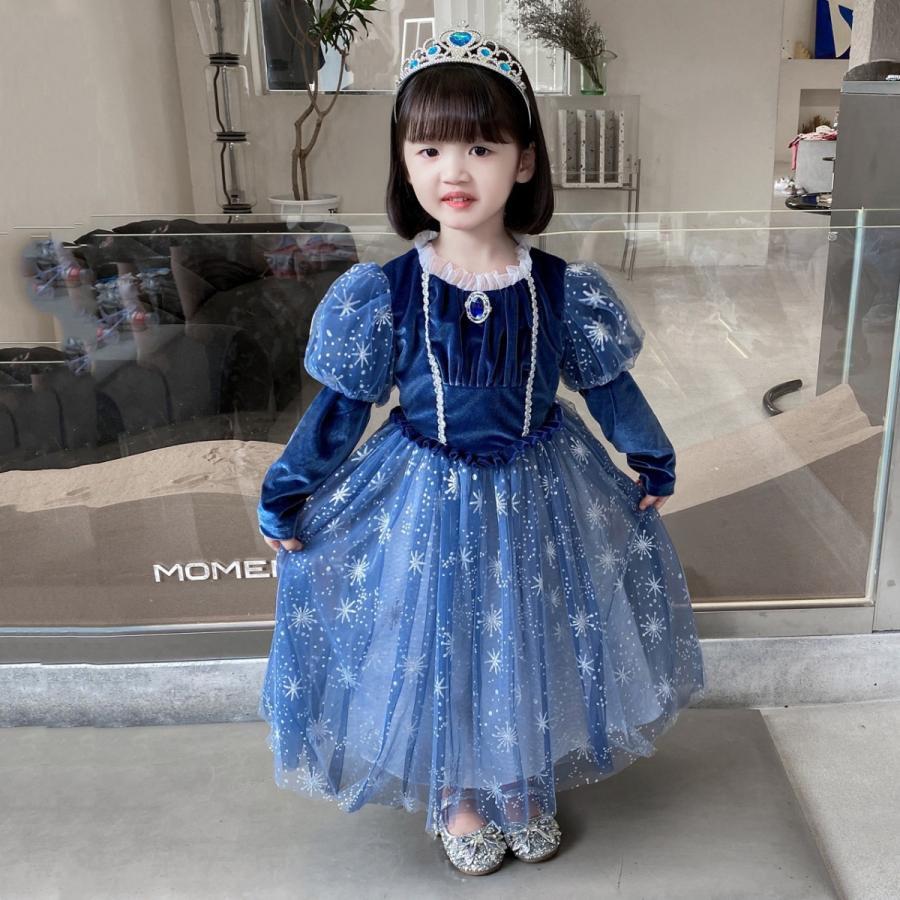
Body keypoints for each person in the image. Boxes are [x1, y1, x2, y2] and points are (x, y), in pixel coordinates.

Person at [257, 25, 705, 877]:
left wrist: (651, 458)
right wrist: (287, 491)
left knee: (528, 635)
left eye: (481, 147)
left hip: (542, 491)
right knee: (447, 644)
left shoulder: (561, 289)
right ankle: (460, 792)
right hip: (426, 497)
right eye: (429, 149)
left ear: (524, 162)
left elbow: (608, 388)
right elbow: (341, 412)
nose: (453, 172)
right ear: (404, 163)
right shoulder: (384, 294)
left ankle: (521, 780)